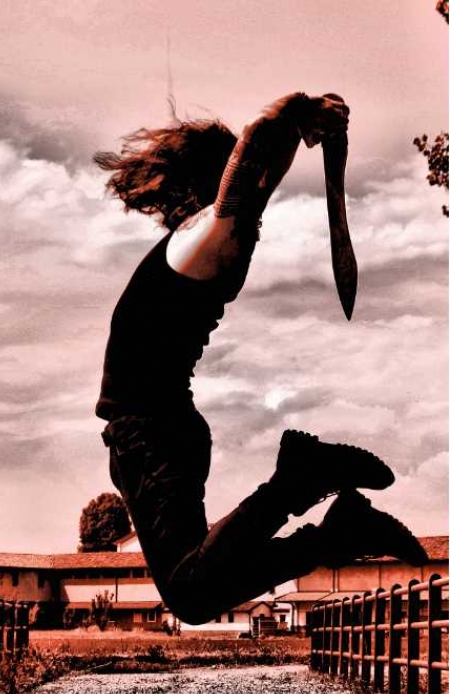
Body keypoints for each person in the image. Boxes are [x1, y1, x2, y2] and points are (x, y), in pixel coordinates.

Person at [94, 92, 426, 626]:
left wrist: (292, 113)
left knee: (192, 592)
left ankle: (300, 488)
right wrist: (295, 129)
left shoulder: (207, 236)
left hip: (149, 433)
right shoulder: (218, 236)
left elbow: (252, 160)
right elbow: (257, 174)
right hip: (162, 429)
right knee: (196, 587)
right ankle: (332, 525)